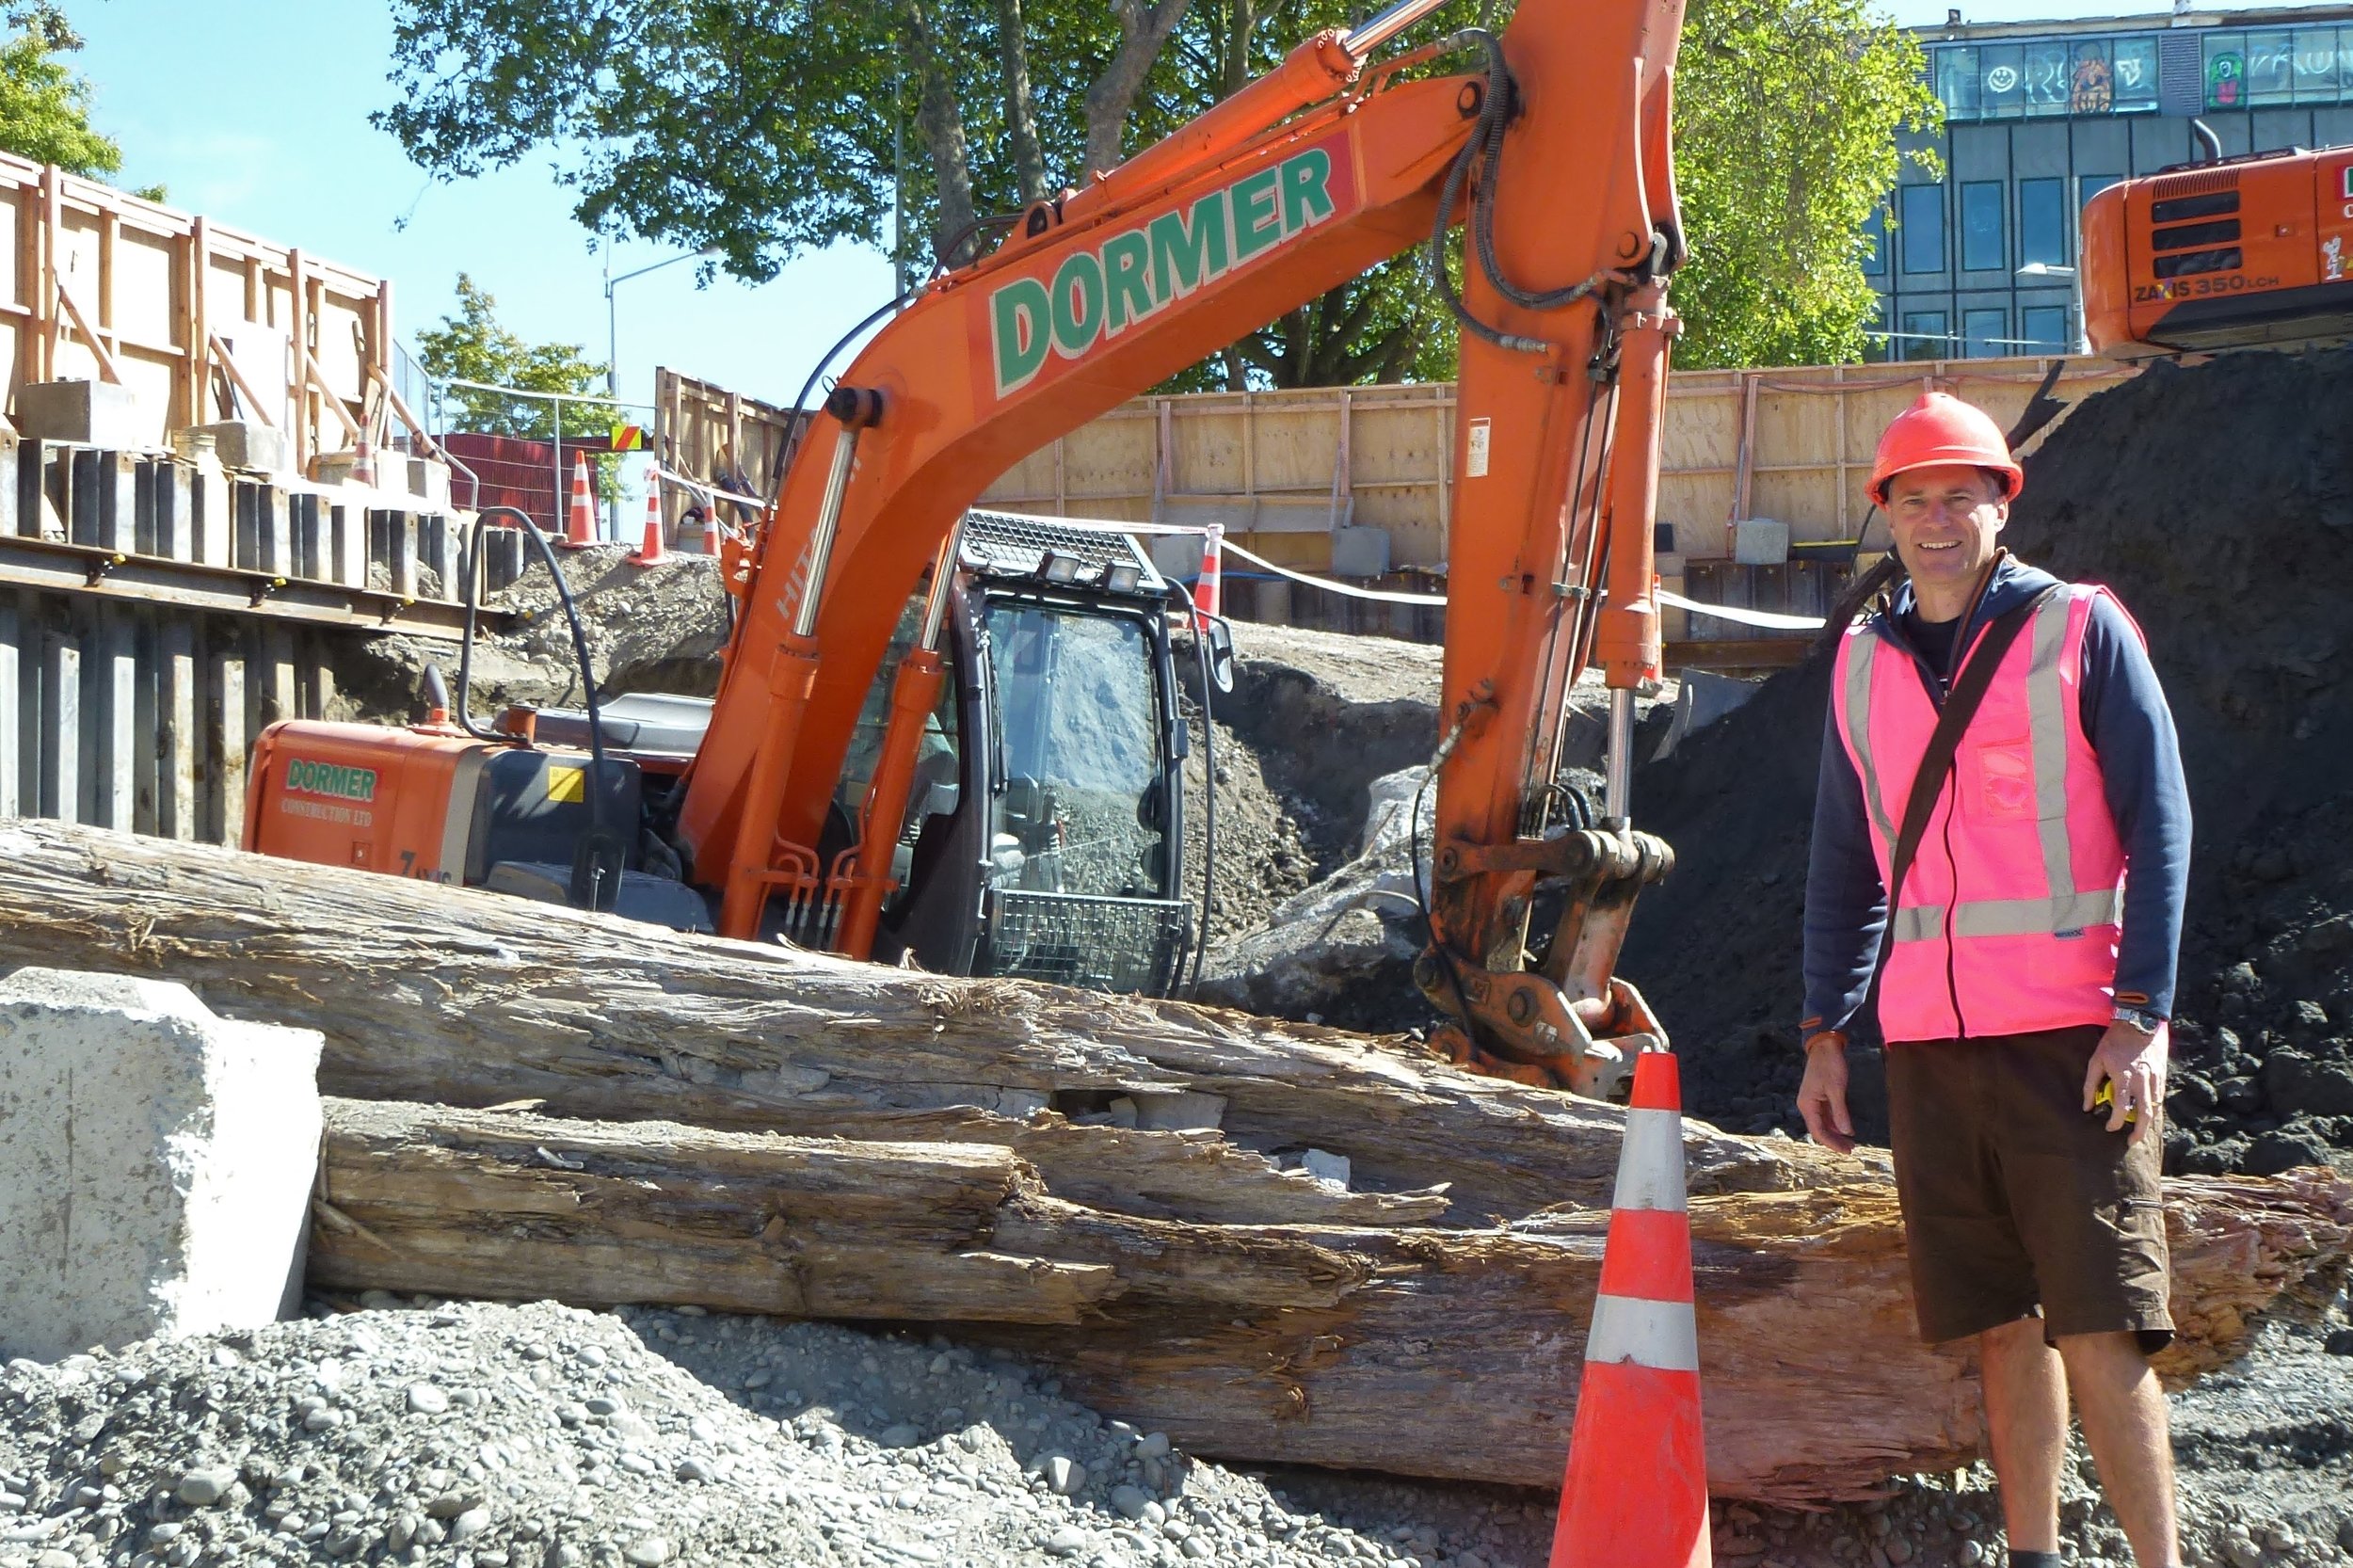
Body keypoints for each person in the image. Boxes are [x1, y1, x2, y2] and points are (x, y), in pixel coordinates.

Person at [1798, 392, 2193, 1568]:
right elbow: (1840, 860)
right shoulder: (1860, 666)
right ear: (1885, 513)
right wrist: (1826, 1030)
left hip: (2073, 1040)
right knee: (2000, 1330)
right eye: (1913, 497)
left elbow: (2159, 823)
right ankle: (2032, 1556)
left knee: (2101, 1325)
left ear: (1998, 502)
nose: (1935, 517)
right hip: (1927, 1046)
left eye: (1958, 494)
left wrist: (2142, 1016)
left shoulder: (2078, 628)